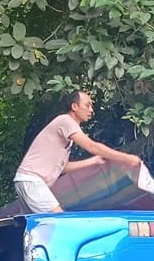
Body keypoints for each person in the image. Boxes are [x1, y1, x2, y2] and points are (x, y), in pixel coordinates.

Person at [13, 89, 144, 213]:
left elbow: (63, 167)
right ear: (74, 106)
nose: (91, 110)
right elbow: (91, 146)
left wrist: (94, 161)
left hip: (28, 180)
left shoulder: (66, 132)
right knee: (58, 220)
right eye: (87, 105)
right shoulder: (66, 121)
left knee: (37, 224)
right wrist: (127, 158)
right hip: (32, 180)